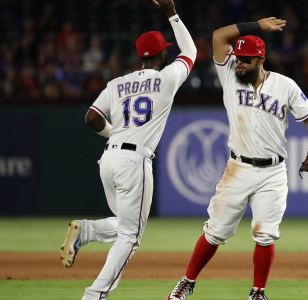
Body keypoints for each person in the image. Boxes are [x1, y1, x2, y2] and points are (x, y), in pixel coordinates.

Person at [167, 17, 308, 300]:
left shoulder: (285, 86)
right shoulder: (230, 75)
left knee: (266, 234)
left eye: (245, 59)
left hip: (273, 172)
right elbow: (219, 36)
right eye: (238, 57)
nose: (239, 62)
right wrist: (257, 25)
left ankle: (257, 293)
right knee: (215, 231)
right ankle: (187, 281)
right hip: (238, 168)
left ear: (260, 59)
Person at [59, 0, 196, 299]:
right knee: (131, 237)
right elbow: (191, 53)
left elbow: (91, 117)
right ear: (162, 54)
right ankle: (95, 294)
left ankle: (87, 231)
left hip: (109, 158)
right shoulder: (166, 78)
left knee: (125, 226)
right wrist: (171, 12)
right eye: (165, 50)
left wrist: (114, 135)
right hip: (135, 161)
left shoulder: (117, 83)